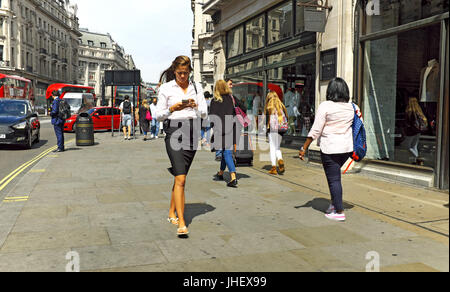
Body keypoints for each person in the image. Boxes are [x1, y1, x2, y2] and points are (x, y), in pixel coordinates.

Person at [155, 55, 208, 237]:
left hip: (193, 131)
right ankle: (182, 222)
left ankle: (171, 212)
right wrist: (173, 109)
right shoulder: (166, 88)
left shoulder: (196, 87)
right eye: (179, 73)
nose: (182, 77)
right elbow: (159, 116)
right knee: (182, 179)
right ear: (174, 71)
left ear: (190, 72)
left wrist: (194, 106)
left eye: (185, 73)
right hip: (174, 132)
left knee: (180, 177)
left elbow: (204, 113)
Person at [299, 78, 358, 222]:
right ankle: (334, 204)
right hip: (346, 148)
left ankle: (339, 211)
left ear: (330, 91)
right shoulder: (352, 107)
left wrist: (304, 147)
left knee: (334, 180)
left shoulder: (326, 106)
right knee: (335, 178)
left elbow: (316, 129)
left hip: (330, 148)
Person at [210, 80, 246, 188]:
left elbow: (212, 118)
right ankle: (221, 173)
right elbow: (243, 108)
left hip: (220, 130)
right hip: (232, 128)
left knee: (226, 153)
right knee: (226, 151)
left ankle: (233, 177)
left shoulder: (214, 100)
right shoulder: (232, 98)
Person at [264, 91, 288, 175]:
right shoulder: (281, 106)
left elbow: (266, 121)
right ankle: (280, 160)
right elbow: (286, 118)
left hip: (272, 130)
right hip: (281, 129)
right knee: (277, 147)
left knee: (272, 148)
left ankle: (273, 168)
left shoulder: (269, 107)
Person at [404, 97, 427, 166]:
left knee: (408, 147)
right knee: (414, 146)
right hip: (418, 131)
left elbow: (408, 123)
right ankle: (415, 161)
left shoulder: (409, 111)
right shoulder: (419, 111)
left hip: (411, 132)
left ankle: (418, 158)